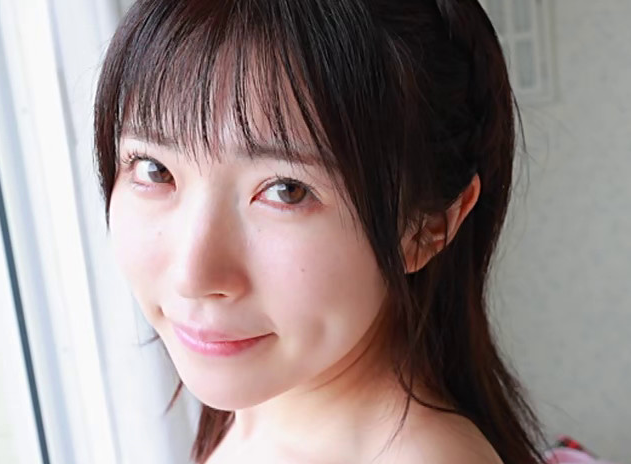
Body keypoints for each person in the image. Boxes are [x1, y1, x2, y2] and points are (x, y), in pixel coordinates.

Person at [94, 0, 546, 462]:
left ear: (427, 227)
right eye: (153, 169)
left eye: (287, 191)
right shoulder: (267, 406)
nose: (193, 276)